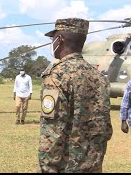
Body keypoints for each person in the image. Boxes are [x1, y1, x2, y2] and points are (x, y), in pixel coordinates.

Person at [38, 18, 113, 173]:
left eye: (53, 38)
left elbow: (52, 134)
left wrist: (46, 168)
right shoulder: (99, 77)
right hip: (93, 166)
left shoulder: (57, 76)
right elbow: (106, 129)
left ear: (59, 39)